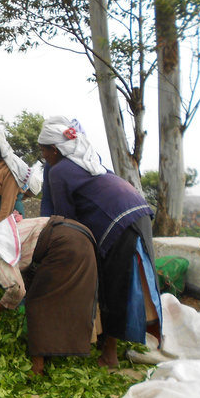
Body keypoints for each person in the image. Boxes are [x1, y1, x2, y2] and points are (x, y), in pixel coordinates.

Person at [38, 115, 162, 368]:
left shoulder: (60, 169)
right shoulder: (86, 160)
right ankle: (110, 342)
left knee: (112, 285)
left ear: (54, 149)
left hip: (120, 220)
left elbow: (66, 220)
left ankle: (110, 354)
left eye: (43, 153)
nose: (43, 158)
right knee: (121, 282)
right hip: (138, 210)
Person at [0, 216, 100, 376]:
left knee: (37, 303)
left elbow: (16, 289)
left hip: (65, 243)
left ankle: (37, 368)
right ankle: (63, 351)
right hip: (78, 234)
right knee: (69, 297)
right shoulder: (0, 232)